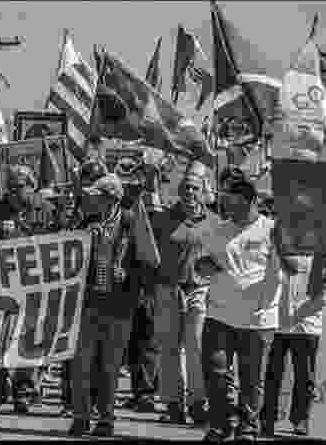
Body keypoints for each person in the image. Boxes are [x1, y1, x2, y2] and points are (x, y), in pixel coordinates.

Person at [195, 167, 283, 441]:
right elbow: (200, 266)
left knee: (251, 380)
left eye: (230, 201)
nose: (225, 206)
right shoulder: (217, 230)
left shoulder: (272, 230)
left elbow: (289, 266)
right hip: (219, 314)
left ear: (247, 200)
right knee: (215, 372)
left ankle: (248, 427)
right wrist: (204, 265)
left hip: (257, 319)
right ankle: (220, 424)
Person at [67, 160, 146, 437]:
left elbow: (147, 260)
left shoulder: (130, 221)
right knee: (82, 362)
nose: (93, 200)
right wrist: (82, 241)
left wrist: (128, 274)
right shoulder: (86, 221)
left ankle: (106, 418)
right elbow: (66, 256)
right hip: (88, 302)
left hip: (119, 305)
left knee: (110, 366)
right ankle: (80, 416)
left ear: (111, 198)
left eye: (97, 196)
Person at [0, 164, 62, 414]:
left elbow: (59, 241)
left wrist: (24, 234)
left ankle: (23, 392)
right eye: (11, 188)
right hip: (2, 287)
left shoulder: (46, 210)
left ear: (32, 186)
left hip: (34, 287)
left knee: (28, 340)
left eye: (20, 187)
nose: (14, 193)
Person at [150, 161, 221, 424]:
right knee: (169, 349)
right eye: (186, 188)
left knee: (196, 347)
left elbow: (221, 258)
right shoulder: (165, 217)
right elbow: (149, 249)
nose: (189, 192)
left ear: (203, 191)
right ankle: (173, 404)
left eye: (194, 188)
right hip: (168, 288)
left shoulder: (214, 222)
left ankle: (197, 402)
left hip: (199, 291)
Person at [260, 222, 326, 437]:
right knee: (272, 376)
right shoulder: (273, 246)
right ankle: (267, 419)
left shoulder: (322, 249)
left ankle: (300, 419)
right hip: (276, 321)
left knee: (304, 376)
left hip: (306, 323)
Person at [114, 155, 161, 414]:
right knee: (133, 340)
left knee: (147, 338)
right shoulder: (126, 208)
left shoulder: (154, 210)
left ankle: (146, 392)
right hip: (127, 282)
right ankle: (138, 390)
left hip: (148, 283)